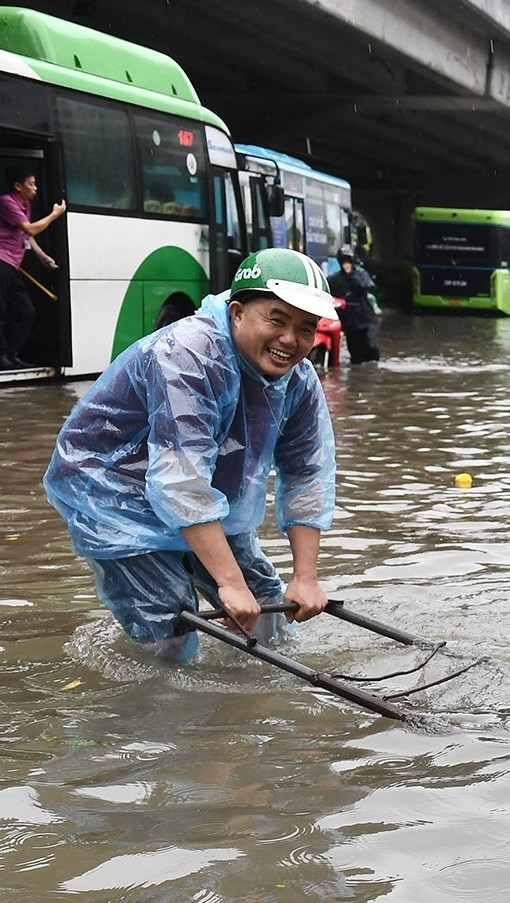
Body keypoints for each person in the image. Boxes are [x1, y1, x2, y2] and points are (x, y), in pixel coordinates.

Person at [42, 249, 341, 663]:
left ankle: (264, 696)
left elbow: (308, 474)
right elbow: (180, 481)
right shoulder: (188, 355)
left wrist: (305, 579)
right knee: (170, 620)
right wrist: (229, 584)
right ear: (237, 312)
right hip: (115, 495)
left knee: (268, 600)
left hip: (202, 494)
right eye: (277, 319)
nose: (290, 340)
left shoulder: (299, 380)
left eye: (306, 328)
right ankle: (163, 713)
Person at [1, 166, 67, 369]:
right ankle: (3, 356)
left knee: (26, 311)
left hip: (13, 264)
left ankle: (10, 353)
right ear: (18, 186)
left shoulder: (25, 205)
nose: (35, 188)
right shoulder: (6, 202)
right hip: (2, 261)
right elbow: (30, 228)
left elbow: (26, 236)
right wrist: (54, 215)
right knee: (1, 312)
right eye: (31, 184)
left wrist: (41, 256)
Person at [325, 244, 379, 363]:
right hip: (350, 324)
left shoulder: (361, 274)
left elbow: (364, 286)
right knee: (356, 356)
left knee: (372, 348)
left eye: (348, 260)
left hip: (366, 320)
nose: (346, 263)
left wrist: (351, 274)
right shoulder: (334, 279)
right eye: (344, 260)